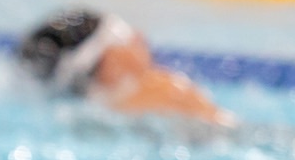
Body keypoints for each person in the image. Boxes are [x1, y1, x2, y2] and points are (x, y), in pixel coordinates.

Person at [18, 9, 235, 127]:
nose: (139, 36)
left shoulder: (85, 118)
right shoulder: (164, 91)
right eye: (126, 37)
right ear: (109, 63)